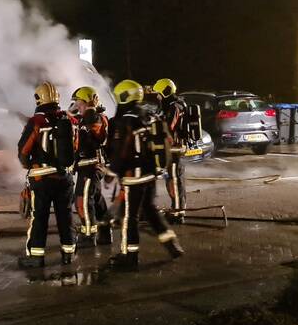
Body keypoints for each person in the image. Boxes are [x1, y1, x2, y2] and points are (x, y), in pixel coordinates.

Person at [107, 79, 184, 269]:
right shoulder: (149, 115)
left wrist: (112, 171)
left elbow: (121, 151)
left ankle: (129, 256)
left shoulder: (126, 120)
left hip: (134, 177)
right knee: (150, 210)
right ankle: (172, 244)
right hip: (150, 175)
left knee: (129, 216)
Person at [16, 81, 77, 268]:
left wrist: (28, 165)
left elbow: (23, 151)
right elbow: (75, 148)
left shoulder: (36, 122)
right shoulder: (70, 120)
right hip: (65, 178)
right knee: (65, 217)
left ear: (38, 99)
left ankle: (36, 257)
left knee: (39, 217)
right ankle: (68, 254)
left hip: (42, 179)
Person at [69, 85, 112, 247]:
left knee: (83, 200)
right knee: (97, 200)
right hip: (87, 167)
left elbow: (98, 135)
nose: (77, 107)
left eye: (79, 103)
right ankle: (104, 233)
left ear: (88, 102)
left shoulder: (97, 118)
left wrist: (90, 109)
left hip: (92, 167)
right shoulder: (84, 118)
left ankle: (88, 235)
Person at [150, 78, 190, 222]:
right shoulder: (167, 106)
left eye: (159, 93)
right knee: (170, 180)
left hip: (175, 149)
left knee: (175, 181)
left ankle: (179, 213)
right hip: (169, 149)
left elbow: (169, 126)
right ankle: (175, 208)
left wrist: (155, 124)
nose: (157, 97)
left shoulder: (175, 107)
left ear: (166, 92)